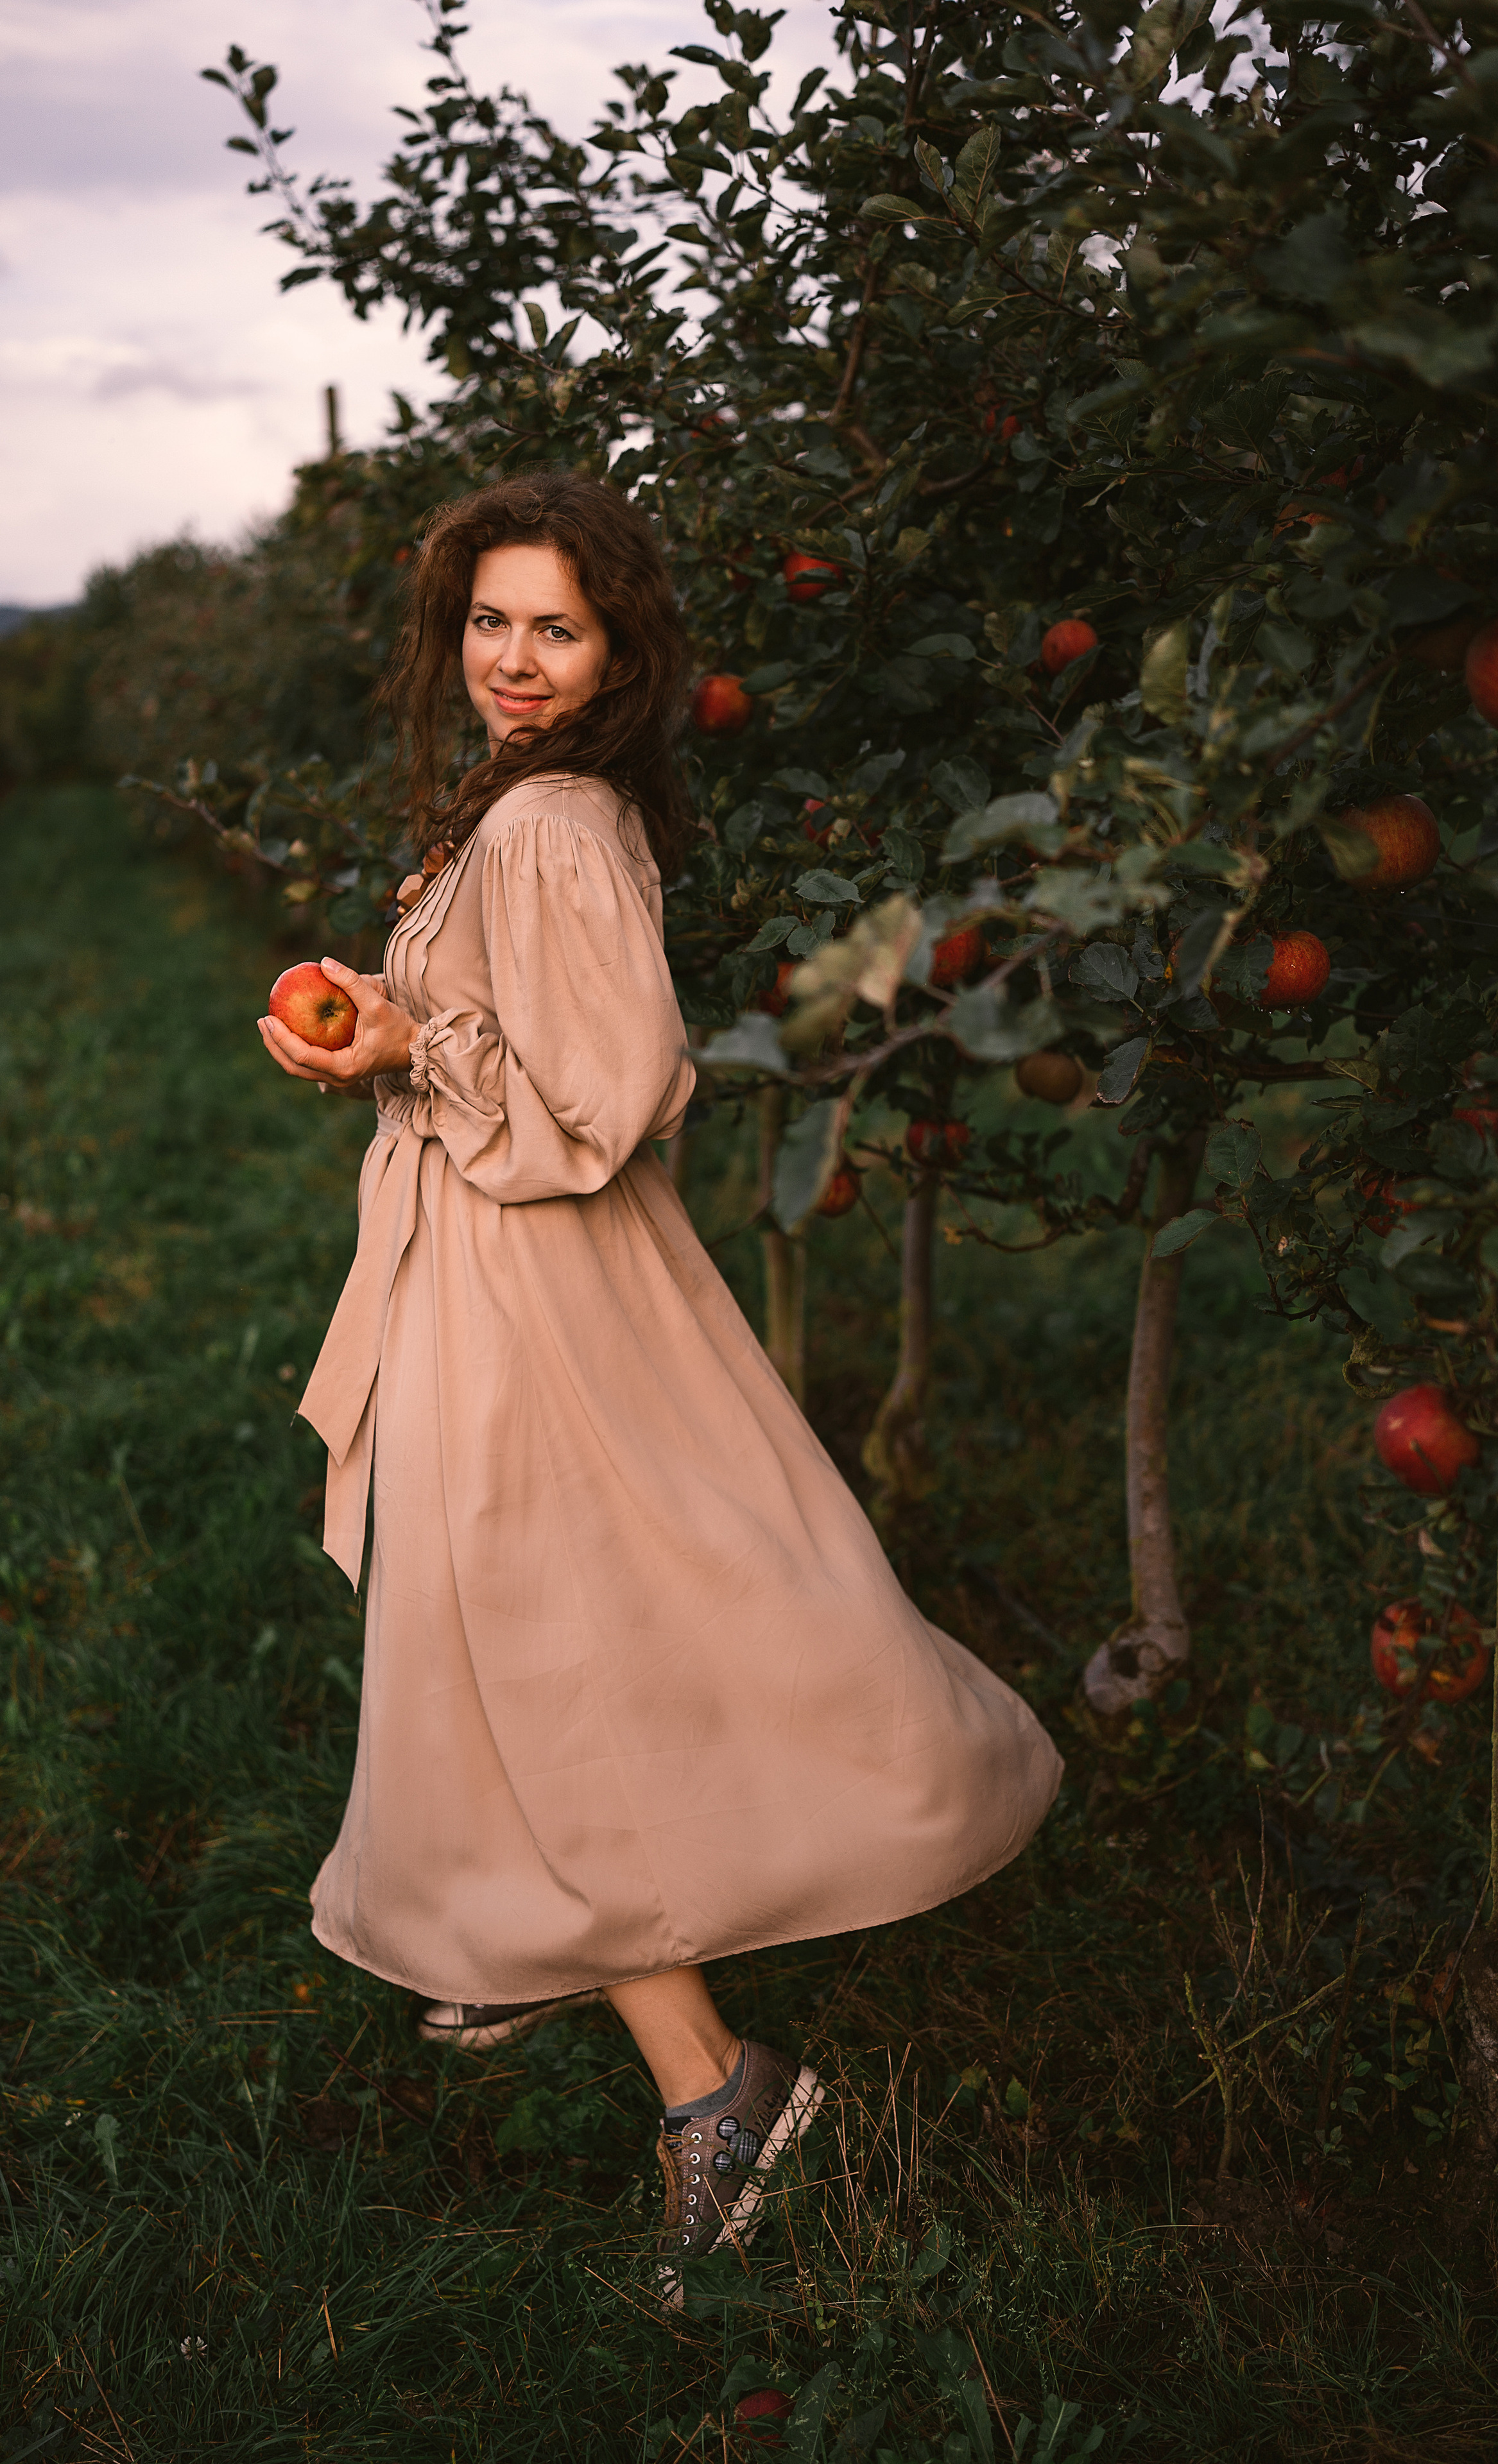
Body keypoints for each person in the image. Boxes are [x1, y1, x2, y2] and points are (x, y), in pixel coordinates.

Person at [255, 471, 1063, 2298]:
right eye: (490, 620)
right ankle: (529, 1926)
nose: (514, 658)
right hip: (489, 1263)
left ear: (618, 651)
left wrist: (414, 1043)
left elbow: (608, 1091)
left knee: (541, 1642)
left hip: (533, 1284)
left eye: (557, 627)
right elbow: (509, 1042)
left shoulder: (553, 820)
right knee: (511, 1620)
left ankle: (718, 2088)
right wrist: (383, 1024)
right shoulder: (515, 808)